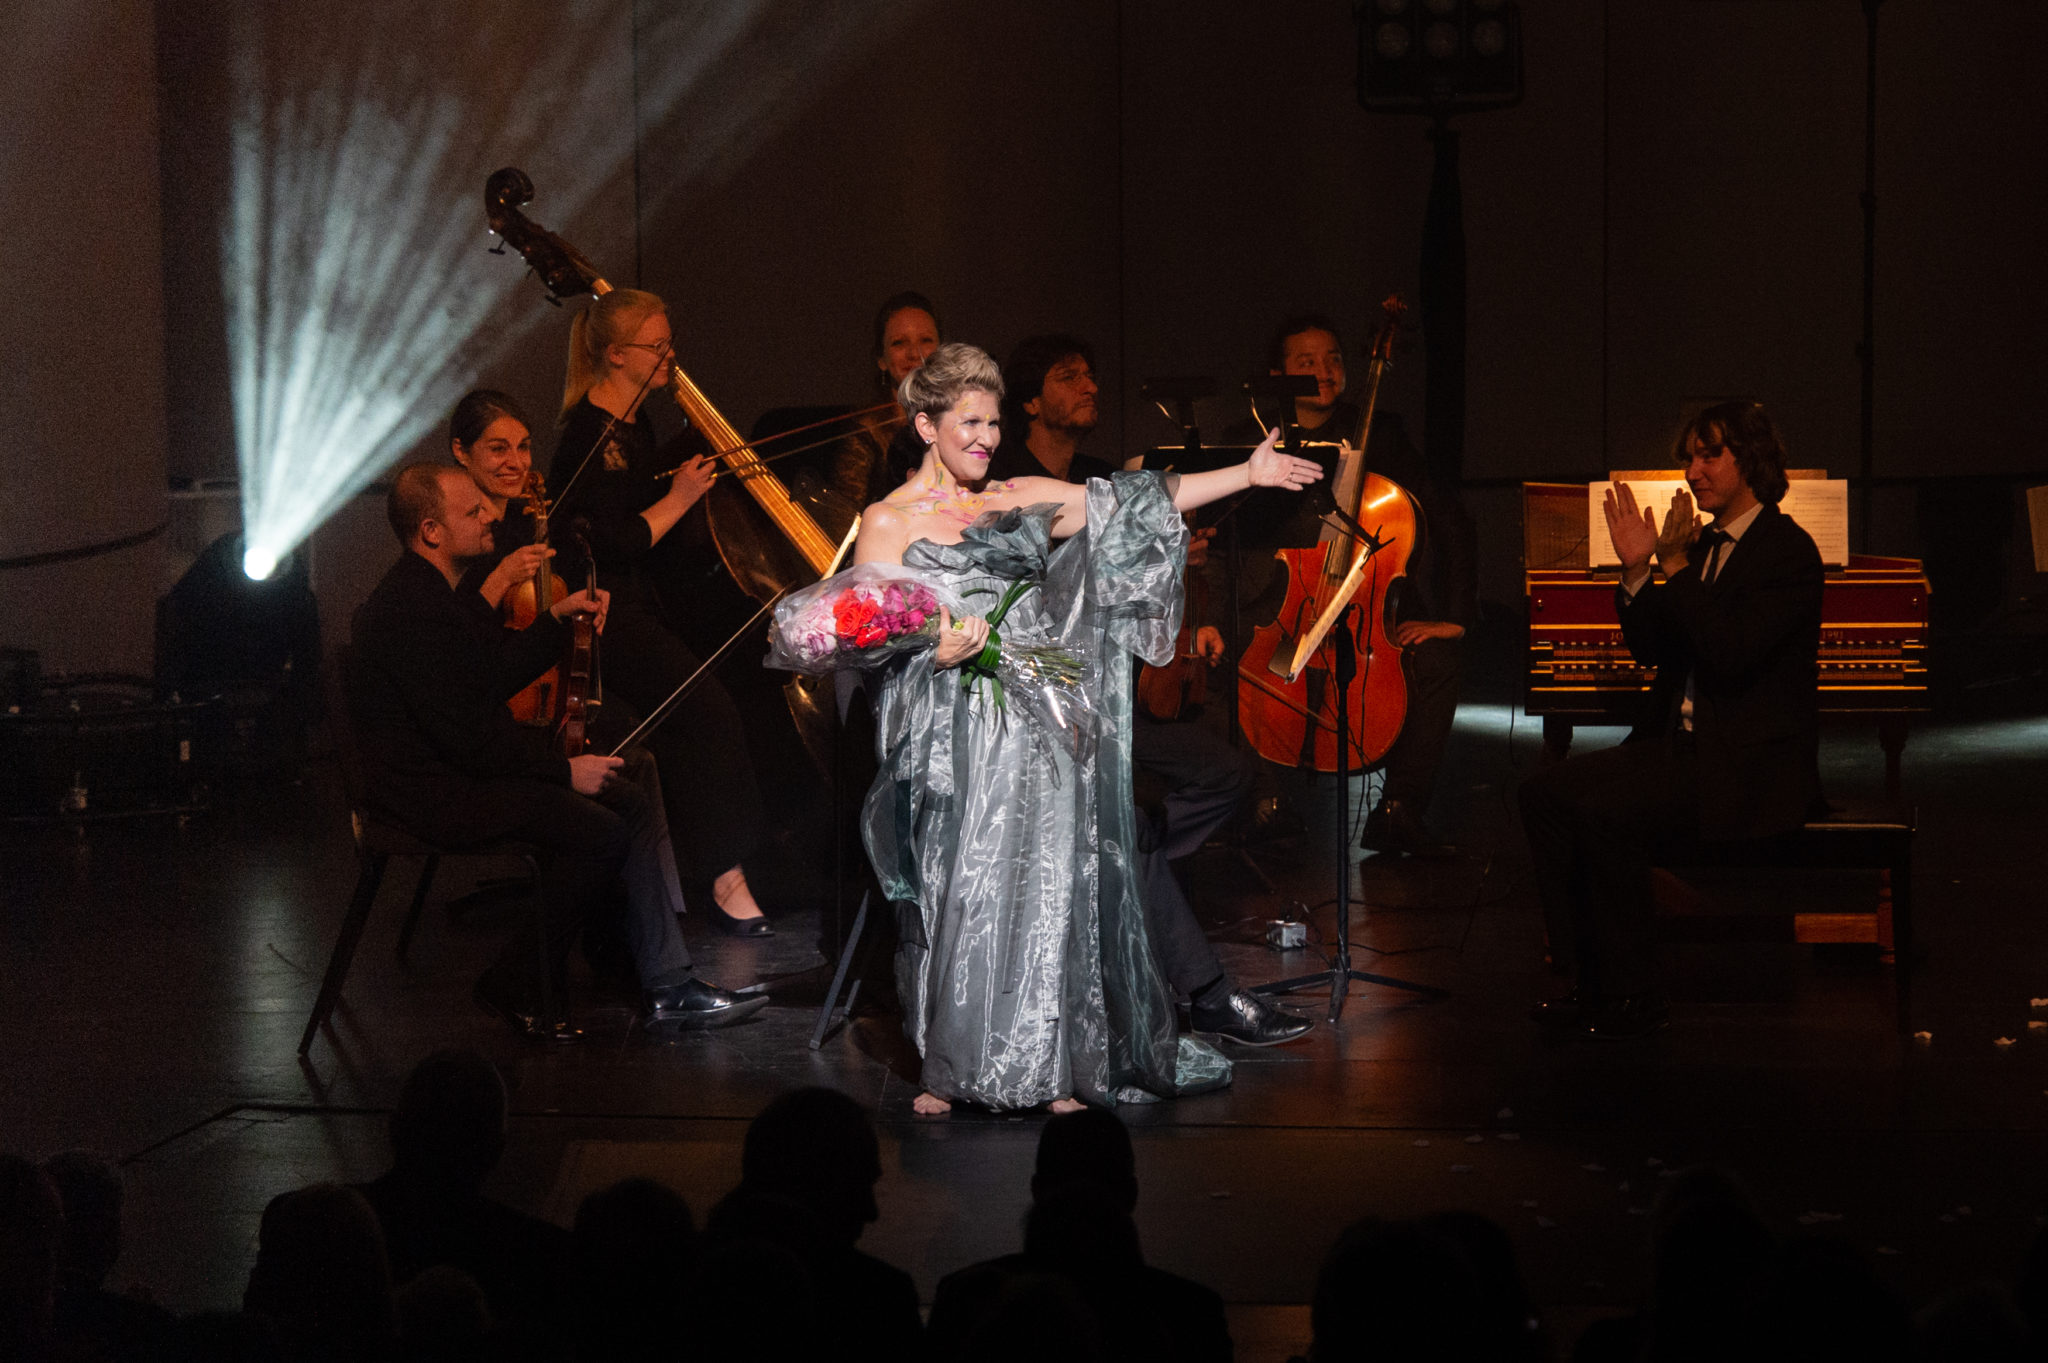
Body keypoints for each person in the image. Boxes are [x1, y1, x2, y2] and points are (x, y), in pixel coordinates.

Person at [849, 343, 1323, 1115]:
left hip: (1038, 724)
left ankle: (1049, 1061)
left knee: (1046, 893)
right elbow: (871, 635)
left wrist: (1248, 474)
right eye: (968, 422)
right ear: (925, 424)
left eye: (994, 422)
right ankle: (951, 1063)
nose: (985, 437)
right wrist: (929, 644)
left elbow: (1134, 501)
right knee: (960, 891)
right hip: (954, 735)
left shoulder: (1018, 494)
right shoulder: (886, 520)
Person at [349, 463, 768, 1038]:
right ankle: (529, 979)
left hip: (453, 774)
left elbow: (488, 680)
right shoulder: (414, 611)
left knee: (630, 784)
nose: (489, 516)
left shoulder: (433, 595)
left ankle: (647, 972)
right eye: (471, 512)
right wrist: (562, 771)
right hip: (435, 794)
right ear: (431, 532)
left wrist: (554, 620)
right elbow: (469, 739)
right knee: (605, 826)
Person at [992, 334, 1311, 1048]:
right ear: (1029, 401)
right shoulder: (999, 486)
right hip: (1033, 714)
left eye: (1092, 375)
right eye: (1067, 377)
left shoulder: (1097, 475)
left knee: (1222, 772)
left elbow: (1143, 520)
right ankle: (1204, 988)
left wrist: (1177, 565)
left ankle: (1138, 880)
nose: (1089, 387)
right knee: (1119, 831)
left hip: (1109, 703)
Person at [1518, 400, 1824, 1040]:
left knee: (1605, 814)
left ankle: (1633, 992)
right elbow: (1656, 650)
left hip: (1743, 763)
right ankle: (1586, 976)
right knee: (1542, 792)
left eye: (1710, 454)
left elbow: (1730, 654)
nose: (1694, 469)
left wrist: (1676, 566)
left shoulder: (1787, 552)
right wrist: (1636, 570)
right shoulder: (1704, 547)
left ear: (1750, 460)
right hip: (1682, 748)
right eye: (1690, 456)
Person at [545, 291, 777, 937]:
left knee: (731, 694)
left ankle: (726, 869)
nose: (670, 356)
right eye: (657, 346)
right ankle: (725, 879)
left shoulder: (633, 426)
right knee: (707, 711)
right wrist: (681, 496)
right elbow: (612, 540)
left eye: (669, 342)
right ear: (616, 354)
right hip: (604, 618)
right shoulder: (591, 436)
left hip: (643, 604)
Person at [1222, 313, 1477, 857]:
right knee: (1218, 655)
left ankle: (1399, 809)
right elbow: (1218, 533)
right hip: (1279, 606)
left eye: (1334, 359)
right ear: (1278, 374)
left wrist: (1456, 614)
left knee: (1438, 662)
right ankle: (1263, 801)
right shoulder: (1250, 438)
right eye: (1306, 362)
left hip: (1364, 615)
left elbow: (1449, 519)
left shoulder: (1380, 432)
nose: (1325, 371)